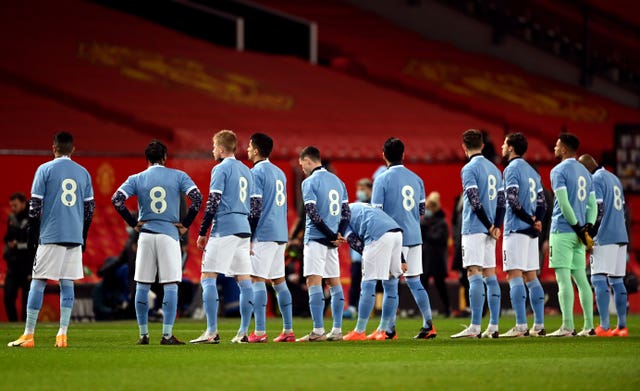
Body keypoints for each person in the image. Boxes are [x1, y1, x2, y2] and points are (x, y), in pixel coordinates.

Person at [9, 132, 94, 348]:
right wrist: (82, 235)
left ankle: (28, 335)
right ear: (72, 149)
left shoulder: (45, 169)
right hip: (74, 237)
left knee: (38, 281)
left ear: (53, 147)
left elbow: (35, 206)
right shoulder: (83, 173)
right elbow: (89, 209)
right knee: (67, 283)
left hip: (51, 234)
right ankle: (62, 334)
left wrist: (32, 234)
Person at [111, 140, 201, 345]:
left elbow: (117, 199)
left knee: (142, 285)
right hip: (169, 235)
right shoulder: (178, 176)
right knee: (170, 285)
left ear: (147, 159)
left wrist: (133, 223)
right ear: (165, 157)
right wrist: (185, 224)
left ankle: (143, 335)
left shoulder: (137, 178)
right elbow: (197, 198)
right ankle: (167, 335)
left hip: (146, 235)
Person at [191, 130, 254, 344]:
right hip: (244, 228)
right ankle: (243, 332)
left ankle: (211, 332)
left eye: (213, 147)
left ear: (220, 148)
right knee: (244, 281)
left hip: (224, 227)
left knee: (208, 277)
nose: (212, 150)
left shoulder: (220, 169)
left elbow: (213, 202)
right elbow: (255, 207)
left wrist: (202, 232)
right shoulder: (247, 171)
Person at [372, 138, 436, 339]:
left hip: (394, 238)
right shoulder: (417, 179)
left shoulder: (381, 179)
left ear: (384, 155)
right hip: (414, 236)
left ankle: (388, 330)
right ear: (403, 154)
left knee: (390, 284)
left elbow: (377, 214)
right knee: (415, 282)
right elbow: (422, 210)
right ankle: (428, 325)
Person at [451, 129, 505, 339]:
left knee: (474, 273)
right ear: (482, 145)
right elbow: (501, 201)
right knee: (490, 275)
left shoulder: (468, 169)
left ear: (464, 147)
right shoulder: (495, 169)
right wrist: (496, 225)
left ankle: (474, 326)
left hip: (475, 228)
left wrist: (488, 224)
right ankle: (493, 325)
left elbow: (473, 200)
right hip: (492, 230)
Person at [296, 146, 350, 342]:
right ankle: (336, 330)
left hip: (317, 239)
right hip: (333, 242)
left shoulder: (309, 182)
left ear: (309, 160)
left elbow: (311, 212)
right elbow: (346, 213)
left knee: (314, 281)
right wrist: (339, 234)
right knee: (334, 283)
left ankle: (318, 330)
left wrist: (329, 235)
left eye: (302, 164)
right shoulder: (338, 181)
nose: (302, 168)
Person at [245, 133, 295, 343]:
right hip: (280, 232)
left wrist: (249, 234)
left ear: (256, 150)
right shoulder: (279, 172)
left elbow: (255, 207)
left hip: (263, 233)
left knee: (257, 279)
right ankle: (288, 330)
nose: (247, 149)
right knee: (279, 282)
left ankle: (259, 331)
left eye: (249, 146)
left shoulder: (255, 172)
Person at [547, 133, 597, 337]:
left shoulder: (557, 171)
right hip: (580, 234)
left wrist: (577, 227)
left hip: (562, 230)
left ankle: (567, 326)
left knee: (563, 278)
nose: (555, 147)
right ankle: (589, 326)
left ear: (564, 149)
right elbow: (593, 205)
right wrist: (587, 229)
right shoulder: (586, 172)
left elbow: (564, 203)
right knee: (580, 278)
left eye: (557, 145)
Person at [499, 133, 547, 337]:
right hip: (531, 233)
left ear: (511, 148)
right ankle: (539, 324)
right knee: (531, 276)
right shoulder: (533, 172)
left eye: (504, 144)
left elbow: (512, 199)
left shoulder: (511, 169)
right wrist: (537, 221)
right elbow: (542, 203)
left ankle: (520, 325)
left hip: (516, 229)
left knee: (514, 275)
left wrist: (528, 219)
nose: (501, 147)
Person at [578, 154, 629, 337]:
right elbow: (623, 209)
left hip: (605, 235)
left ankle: (605, 327)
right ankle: (622, 327)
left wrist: (590, 234)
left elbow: (598, 209)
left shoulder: (595, 179)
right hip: (620, 235)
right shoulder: (614, 178)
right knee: (617, 280)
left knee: (598, 278)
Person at [342, 203, 405, 340]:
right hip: (397, 233)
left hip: (377, 235)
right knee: (391, 284)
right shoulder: (358, 206)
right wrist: (401, 258)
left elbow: (355, 243)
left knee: (368, 283)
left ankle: (360, 331)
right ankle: (384, 330)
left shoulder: (340, 217)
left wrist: (372, 257)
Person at [3, 192, 35, 322]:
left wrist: (17, 245)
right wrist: (10, 244)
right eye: (11, 206)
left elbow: (33, 244)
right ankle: (13, 323)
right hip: (13, 266)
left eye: (15, 205)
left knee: (27, 301)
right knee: (8, 296)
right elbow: (8, 237)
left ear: (23, 203)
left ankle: (26, 328)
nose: (13, 209)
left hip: (27, 266)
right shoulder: (11, 218)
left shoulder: (32, 218)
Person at [420, 192, 451, 318]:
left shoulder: (441, 222)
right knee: (424, 284)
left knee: (440, 285)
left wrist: (427, 233)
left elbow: (440, 239)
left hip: (437, 259)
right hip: (426, 257)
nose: (427, 210)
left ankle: (447, 308)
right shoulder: (424, 222)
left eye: (429, 207)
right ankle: (424, 310)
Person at [345, 178, 373, 319]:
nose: (360, 192)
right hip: (357, 254)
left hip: (373, 250)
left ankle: (372, 308)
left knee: (372, 281)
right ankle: (352, 308)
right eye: (359, 188)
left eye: (363, 189)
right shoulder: (354, 206)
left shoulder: (375, 206)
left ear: (370, 190)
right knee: (355, 281)